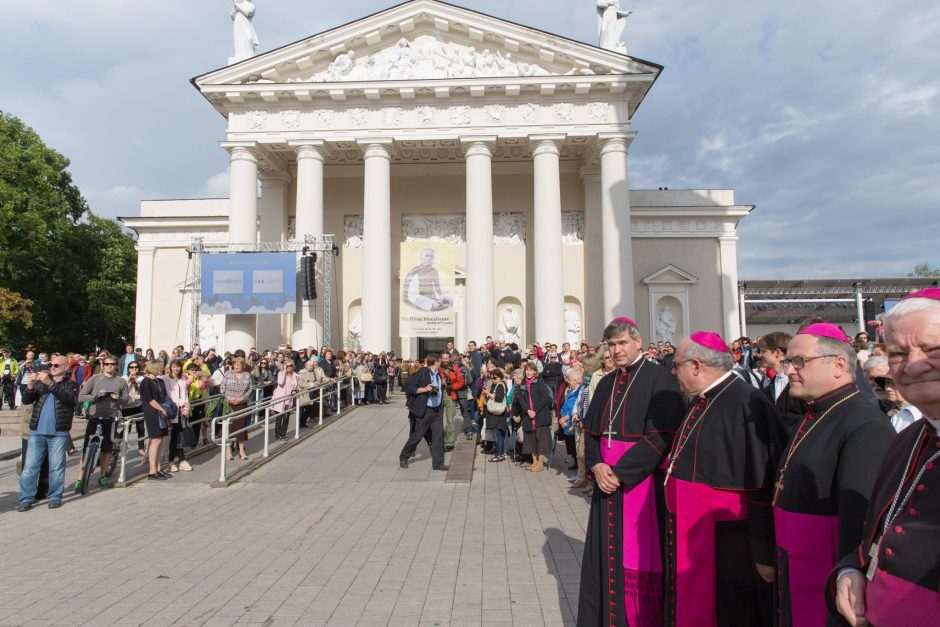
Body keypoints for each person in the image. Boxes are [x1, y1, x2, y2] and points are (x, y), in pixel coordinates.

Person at [827, 288, 940, 627]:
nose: (915, 364)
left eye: (933, 348)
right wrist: (850, 570)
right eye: (898, 353)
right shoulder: (906, 440)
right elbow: (878, 536)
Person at [772, 323, 895, 627]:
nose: (789, 371)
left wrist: (847, 572)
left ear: (839, 364)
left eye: (799, 361)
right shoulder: (815, 413)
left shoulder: (864, 425)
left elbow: (862, 519)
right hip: (795, 562)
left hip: (827, 570)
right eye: (788, 362)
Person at [662, 331, 787, 627]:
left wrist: (763, 549)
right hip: (696, 531)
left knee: (730, 610)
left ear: (696, 365)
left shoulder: (748, 403)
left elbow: (764, 481)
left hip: (730, 540)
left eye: (677, 365)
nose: (673, 371)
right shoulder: (702, 400)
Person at [17, 354, 79, 511]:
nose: (52, 367)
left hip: (58, 432)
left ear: (65, 368)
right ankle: (26, 498)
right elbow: (26, 400)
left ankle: (55, 496)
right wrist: (31, 385)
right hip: (37, 431)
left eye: (56, 365)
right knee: (30, 466)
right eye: (51, 365)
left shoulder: (71, 384)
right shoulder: (41, 383)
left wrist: (50, 384)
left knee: (56, 467)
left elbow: (69, 400)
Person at [76, 355, 129, 492]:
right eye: (107, 364)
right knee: (86, 447)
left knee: (106, 448)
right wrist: (96, 396)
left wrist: (117, 398)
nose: (109, 366)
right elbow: (81, 396)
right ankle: (80, 479)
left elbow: (126, 400)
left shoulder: (121, 381)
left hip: (111, 416)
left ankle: (103, 475)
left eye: (112, 364)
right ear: (103, 365)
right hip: (94, 415)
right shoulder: (95, 379)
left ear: (116, 365)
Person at [399, 353, 447, 471]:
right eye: (440, 361)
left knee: (438, 437)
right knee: (417, 435)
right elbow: (409, 386)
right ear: (436, 361)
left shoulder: (438, 374)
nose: (442, 362)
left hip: (437, 410)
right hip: (425, 410)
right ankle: (404, 457)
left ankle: (438, 463)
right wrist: (424, 389)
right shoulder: (423, 372)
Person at [757, 331, 808, 434]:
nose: (760, 355)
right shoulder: (768, 384)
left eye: (763, 351)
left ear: (777, 353)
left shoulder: (800, 381)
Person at [512, 360, 554, 473]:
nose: (529, 372)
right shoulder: (523, 383)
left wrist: (534, 410)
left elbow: (545, 398)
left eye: (531, 370)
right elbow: (520, 398)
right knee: (530, 439)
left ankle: (540, 463)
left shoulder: (540, 382)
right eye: (527, 370)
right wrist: (527, 410)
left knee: (541, 440)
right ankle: (534, 461)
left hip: (540, 415)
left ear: (535, 371)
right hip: (528, 416)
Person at [140, 360, 172, 480]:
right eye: (160, 367)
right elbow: (150, 399)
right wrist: (162, 409)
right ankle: (152, 470)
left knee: (160, 440)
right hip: (152, 413)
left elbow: (163, 396)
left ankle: (158, 468)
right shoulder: (146, 382)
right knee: (155, 440)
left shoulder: (159, 381)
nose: (161, 369)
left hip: (160, 412)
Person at [161, 360, 192, 473]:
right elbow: (169, 395)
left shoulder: (182, 378)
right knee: (175, 436)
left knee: (179, 435)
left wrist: (187, 406)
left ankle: (176, 460)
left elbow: (185, 393)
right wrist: (181, 404)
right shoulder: (166, 378)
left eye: (178, 366)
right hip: (173, 410)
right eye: (174, 367)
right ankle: (174, 460)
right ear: (170, 367)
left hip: (182, 411)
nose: (176, 369)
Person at [221, 357, 253, 461]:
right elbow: (222, 388)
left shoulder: (247, 375)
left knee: (240, 427)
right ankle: (228, 450)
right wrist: (228, 397)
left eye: (238, 365)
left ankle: (241, 450)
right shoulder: (228, 374)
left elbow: (250, 389)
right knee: (228, 427)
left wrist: (241, 398)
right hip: (229, 404)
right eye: (235, 364)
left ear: (243, 365)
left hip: (241, 403)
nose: (236, 366)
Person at [439, 351, 465, 452]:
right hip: (439, 396)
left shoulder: (455, 368)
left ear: (449, 358)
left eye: (446, 358)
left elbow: (461, 382)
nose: (445, 361)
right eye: (443, 359)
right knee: (438, 420)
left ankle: (449, 442)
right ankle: (439, 440)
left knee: (450, 420)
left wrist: (451, 386)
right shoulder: (437, 368)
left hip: (450, 395)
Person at [482, 368, 508, 462]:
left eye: (495, 378)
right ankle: (500, 454)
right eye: (491, 378)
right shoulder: (497, 384)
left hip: (497, 415)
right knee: (499, 435)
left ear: (500, 377)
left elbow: (498, 398)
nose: (493, 380)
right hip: (497, 415)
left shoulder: (500, 385)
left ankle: (498, 455)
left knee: (498, 436)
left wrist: (488, 393)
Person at [272, 361, 298, 439]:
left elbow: (295, 385)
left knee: (286, 417)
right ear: (284, 366)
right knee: (279, 417)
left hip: (288, 398)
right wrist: (284, 372)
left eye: (290, 365)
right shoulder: (281, 374)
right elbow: (280, 382)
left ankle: (283, 433)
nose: (289, 367)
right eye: (287, 366)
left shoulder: (295, 375)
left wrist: (294, 390)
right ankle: (277, 433)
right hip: (280, 398)